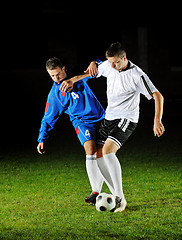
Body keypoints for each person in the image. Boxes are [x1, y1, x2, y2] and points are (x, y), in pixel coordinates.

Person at [60, 42, 165, 212]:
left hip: (126, 119)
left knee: (108, 151)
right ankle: (117, 195)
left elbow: (157, 95)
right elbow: (89, 73)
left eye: (116, 62)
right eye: (110, 62)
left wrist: (157, 120)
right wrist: (72, 79)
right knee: (98, 155)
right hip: (109, 118)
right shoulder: (109, 66)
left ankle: (120, 199)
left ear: (124, 58)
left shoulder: (137, 75)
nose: (112, 66)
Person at [37, 57, 105, 204]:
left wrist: (94, 62)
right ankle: (95, 192)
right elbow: (48, 118)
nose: (56, 78)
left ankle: (110, 191)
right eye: (52, 76)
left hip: (101, 118)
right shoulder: (55, 94)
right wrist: (41, 139)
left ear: (64, 69)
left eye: (58, 74)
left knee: (103, 154)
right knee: (90, 149)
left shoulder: (76, 73)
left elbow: (99, 66)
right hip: (81, 123)